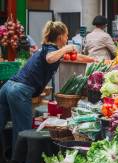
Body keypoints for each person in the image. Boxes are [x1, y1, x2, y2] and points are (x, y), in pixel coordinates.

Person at [0, 21, 95, 155]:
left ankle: (7, 161)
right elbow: (50, 59)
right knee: (23, 131)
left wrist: (94, 60)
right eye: (66, 35)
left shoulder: (47, 48)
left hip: (7, 87)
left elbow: (75, 57)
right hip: (19, 91)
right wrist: (66, 48)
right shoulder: (51, 49)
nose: (67, 39)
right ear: (60, 36)